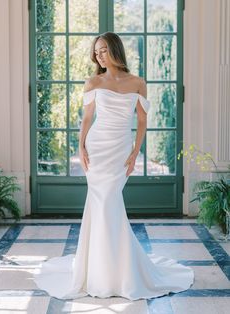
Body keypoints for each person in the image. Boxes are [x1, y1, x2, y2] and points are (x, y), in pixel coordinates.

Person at [32, 31, 194, 300]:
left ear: (116, 50)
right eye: (96, 52)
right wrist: (81, 146)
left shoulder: (138, 83)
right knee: (102, 204)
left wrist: (134, 153)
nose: (99, 55)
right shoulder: (93, 81)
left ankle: (116, 269)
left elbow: (141, 122)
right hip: (97, 148)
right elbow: (87, 118)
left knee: (109, 202)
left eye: (104, 50)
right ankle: (99, 271)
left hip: (120, 149)